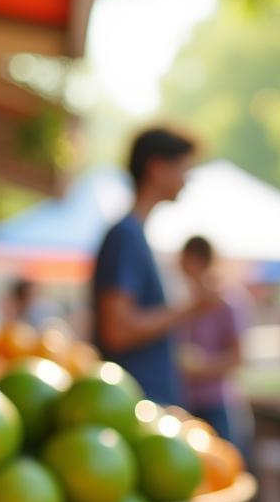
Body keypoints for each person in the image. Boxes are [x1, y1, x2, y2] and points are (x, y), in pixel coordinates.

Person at [92, 127, 217, 405]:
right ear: (157, 168)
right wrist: (190, 308)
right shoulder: (127, 236)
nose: (185, 182)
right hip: (135, 401)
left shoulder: (135, 235)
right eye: (183, 169)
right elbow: (117, 331)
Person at [177, 235, 253, 453]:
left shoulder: (229, 301)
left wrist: (202, 368)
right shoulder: (186, 301)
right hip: (188, 400)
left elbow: (238, 357)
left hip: (218, 402)